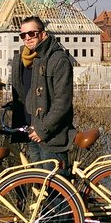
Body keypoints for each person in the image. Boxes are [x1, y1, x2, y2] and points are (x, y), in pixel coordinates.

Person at [10, 16, 76, 172]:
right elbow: (25, 93)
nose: (27, 38)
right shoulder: (23, 59)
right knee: (42, 188)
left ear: (43, 34)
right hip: (32, 131)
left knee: (57, 190)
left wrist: (43, 130)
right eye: (23, 35)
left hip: (50, 136)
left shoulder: (58, 60)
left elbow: (63, 102)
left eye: (31, 33)